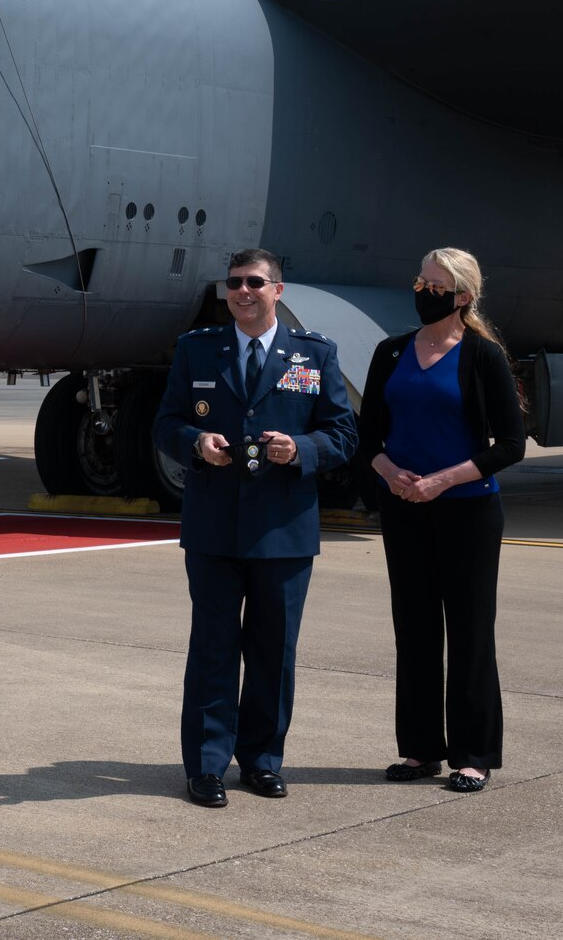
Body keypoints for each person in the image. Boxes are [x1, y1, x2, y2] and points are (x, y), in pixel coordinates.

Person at [154, 249, 358, 807]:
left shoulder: (313, 354)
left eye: (255, 282)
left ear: (278, 290)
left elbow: (343, 434)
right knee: (213, 650)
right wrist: (196, 444)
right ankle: (205, 767)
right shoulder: (197, 350)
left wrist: (302, 448)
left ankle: (263, 761)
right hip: (214, 529)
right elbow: (166, 423)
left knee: (274, 652)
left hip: (283, 531)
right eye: (234, 283)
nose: (243, 291)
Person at [356, 247, 526, 794]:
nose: (423, 293)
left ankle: (474, 754)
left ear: (463, 298)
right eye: (420, 282)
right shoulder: (390, 353)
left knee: (471, 630)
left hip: (469, 510)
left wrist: (442, 480)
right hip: (404, 508)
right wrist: (390, 472)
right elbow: (367, 436)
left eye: (435, 287)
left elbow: (512, 445)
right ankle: (421, 749)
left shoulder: (482, 356)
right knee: (415, 628)